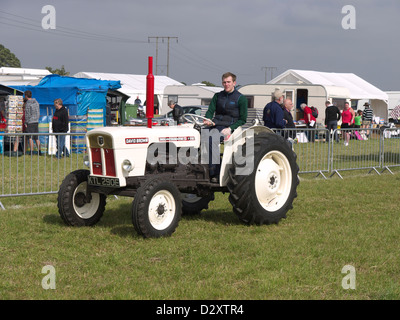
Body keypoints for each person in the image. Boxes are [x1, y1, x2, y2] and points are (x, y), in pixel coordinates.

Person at [203, 72, 248, 183]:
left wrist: (231, 128)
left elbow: (243, 119)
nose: (226, 84)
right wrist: (208, 119)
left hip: (230, 127)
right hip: (216, 124)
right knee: (198, 135)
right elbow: (210, 111)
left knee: (211, 139)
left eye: (228, 82)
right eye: (224, 82)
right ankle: (200, 167)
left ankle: (215, 172)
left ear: (234, 83)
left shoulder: (241, 99)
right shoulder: (217, 96)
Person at [24, 90, 42, 155]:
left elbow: (27, 114)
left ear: (26, 96)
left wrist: (26, 122)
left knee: (30, 137)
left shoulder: (28, 103)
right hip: (36, 121)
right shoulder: (36, 102)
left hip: (30, 122)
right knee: (36, 137)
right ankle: (39, 151)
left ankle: (31, 151)